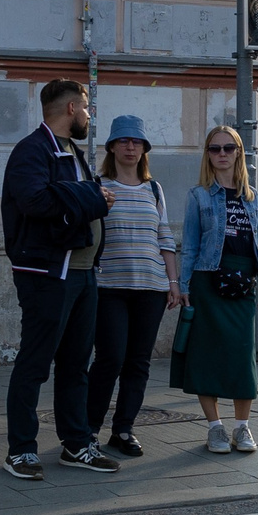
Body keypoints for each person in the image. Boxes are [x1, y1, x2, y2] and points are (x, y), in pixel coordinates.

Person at [0, 79, 114, 480]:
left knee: (76, 364)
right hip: (47, 274)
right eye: (86, 107)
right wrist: (93, 197)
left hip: (83, 273)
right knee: (34, 363)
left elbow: (65, 198)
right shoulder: (32, 149)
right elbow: (34, 200)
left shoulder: (72, 151)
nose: (89, 115)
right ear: (70, 108)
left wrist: (91, 196)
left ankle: (76, 444)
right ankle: (20, 451)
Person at [85, 115, 182, 460]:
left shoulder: (154, 189)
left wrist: (173, 282)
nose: (130, 147)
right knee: (110, 358)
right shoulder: (98, 186)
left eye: (137, 142)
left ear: (144, 149)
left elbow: (164, 237)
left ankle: (123, 429)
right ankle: (88, 430)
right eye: (124, 141)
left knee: (138, 362)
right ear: (112, 147)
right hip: (109, 286)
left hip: (151, 288)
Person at [174, 122, 258, 452]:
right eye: (214, 148)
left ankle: (242, 428)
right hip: (207, 280)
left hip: (243, 282)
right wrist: (184, 284)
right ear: (207, 154)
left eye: (228, 148)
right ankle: (215, 428)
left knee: (242, 356)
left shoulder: (252, 197)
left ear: (238, 153)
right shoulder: (198, 195)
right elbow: (190, 245)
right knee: (206, 355)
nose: (221, 154)